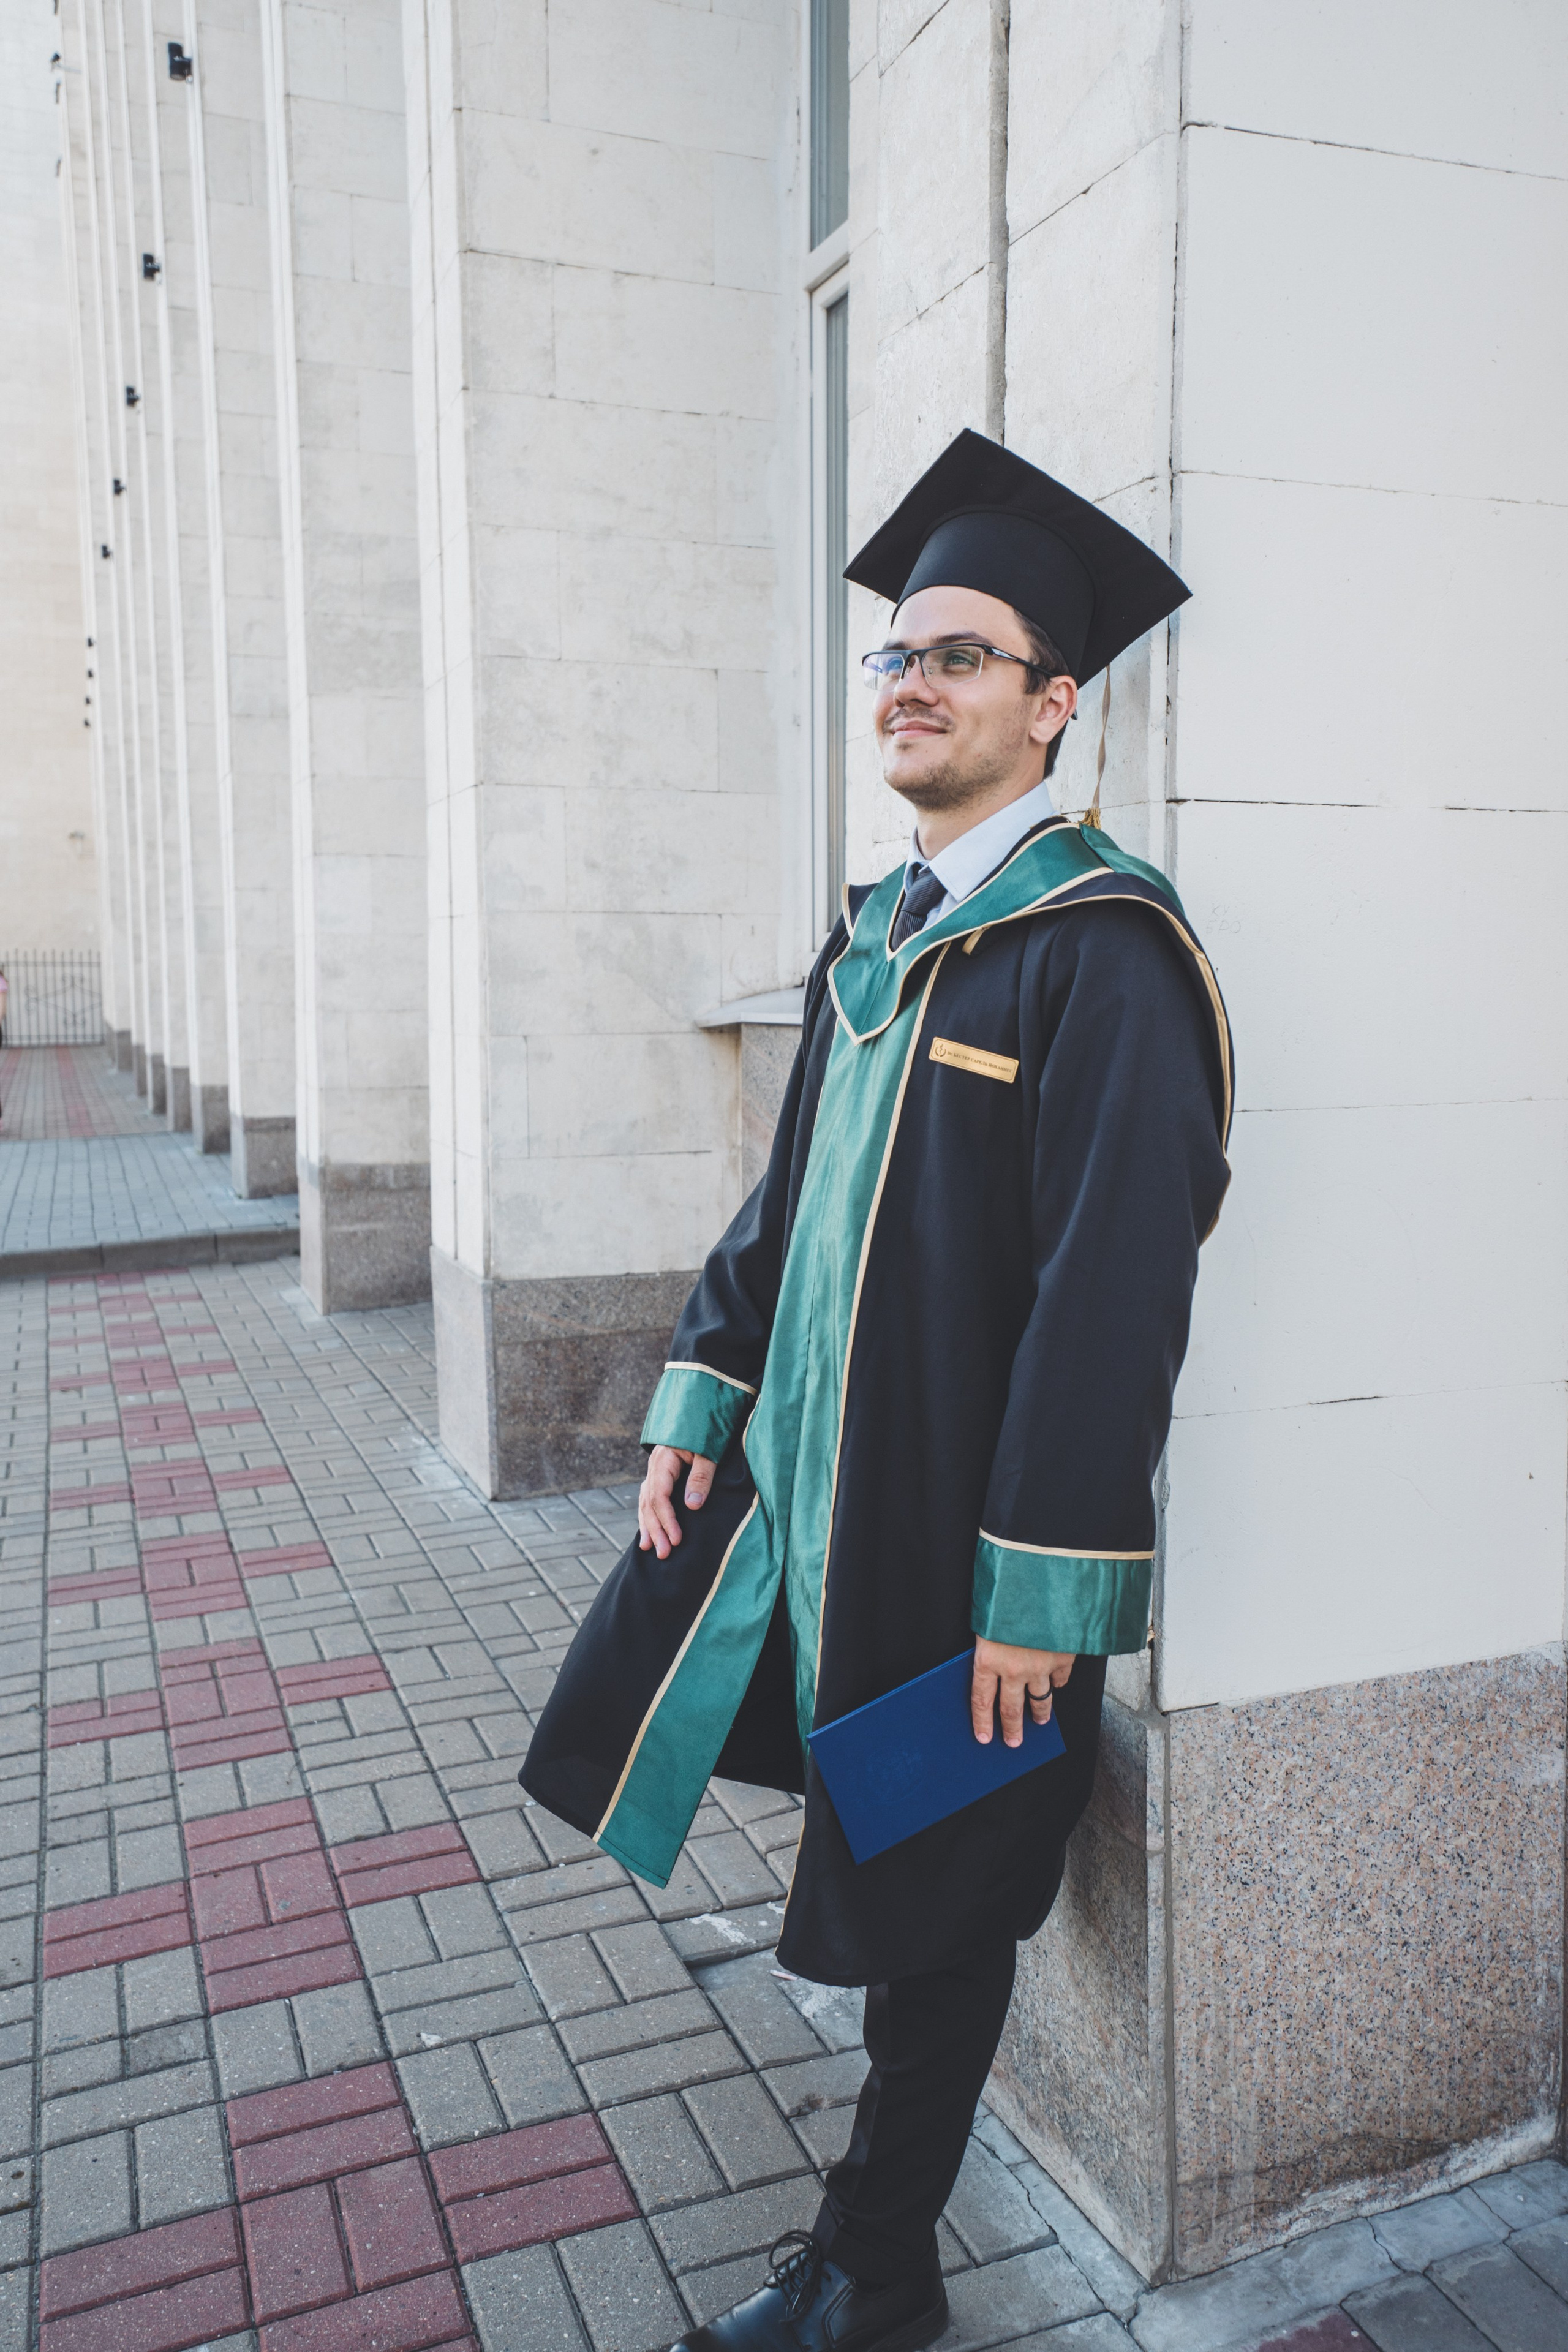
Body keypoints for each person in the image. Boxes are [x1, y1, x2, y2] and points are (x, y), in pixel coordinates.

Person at [521, 430, 1233, 2351]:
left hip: (955, 1540)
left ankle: (876, 2261)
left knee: (935, 1882)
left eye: (963, 656)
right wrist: (697, 1391)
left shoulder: (1104, 957)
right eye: (893, 657)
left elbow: (1114, 1300)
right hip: (806, 1498)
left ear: (1057, 705)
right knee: (861, 1830)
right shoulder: (879, 936)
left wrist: (1045, 1586)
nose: (908, 682)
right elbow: (787, 1200)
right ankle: (875, 2248)